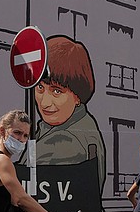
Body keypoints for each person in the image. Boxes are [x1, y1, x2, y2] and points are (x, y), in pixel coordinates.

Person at [20, 35, 106, 193]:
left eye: (56, 91)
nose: (45, 102)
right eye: (40, 88)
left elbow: (22, 188)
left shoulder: (64, 140)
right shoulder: (80, 125)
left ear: (77, 96)